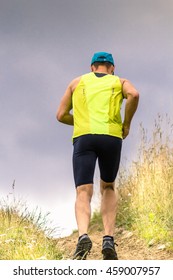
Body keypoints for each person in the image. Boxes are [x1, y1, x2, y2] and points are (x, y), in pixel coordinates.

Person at [56, 52, 139, 260]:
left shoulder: (77, 83)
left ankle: (83, 236)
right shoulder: (119, 82)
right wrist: (126, 124)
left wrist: (83, 122)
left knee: (83, 190)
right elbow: (135, 95)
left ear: (92, 67)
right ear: (112, 68)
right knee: (108, 186)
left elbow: (60, 115)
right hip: (111, 137)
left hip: (84, 139)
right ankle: (108, 239)